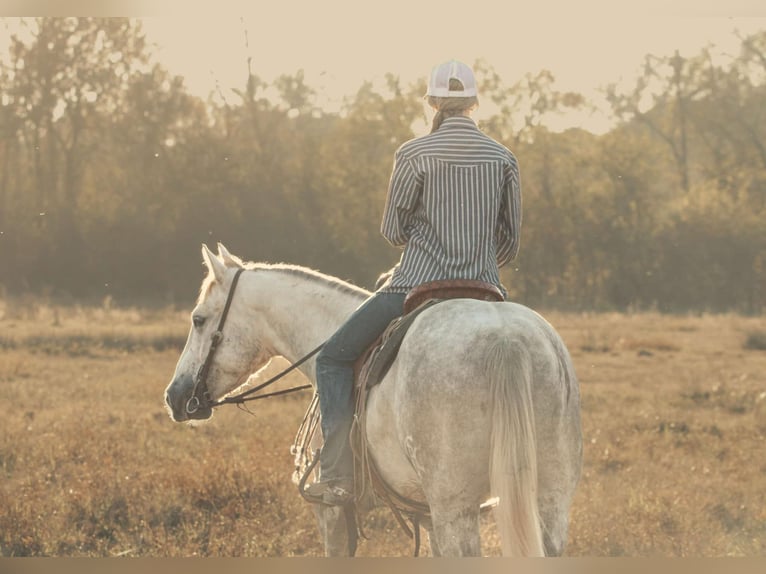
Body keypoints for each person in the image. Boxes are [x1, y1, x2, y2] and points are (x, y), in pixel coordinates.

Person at [304, 60, 522, 506]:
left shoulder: (413, 153)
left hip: (414, 286)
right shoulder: (503, 157)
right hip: (484, 287)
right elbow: (510, 241)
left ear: (433, 103)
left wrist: (433, 246)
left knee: (332, 359)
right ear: (475, 102)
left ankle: (338, 476)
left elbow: (393, 232)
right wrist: (474, 261)